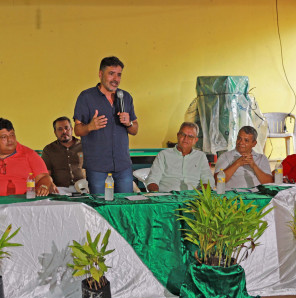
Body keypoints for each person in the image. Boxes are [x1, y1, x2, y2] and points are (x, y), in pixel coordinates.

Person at [73, 56, 139, 194]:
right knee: (100, 208)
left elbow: (135, 129)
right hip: (97, 167)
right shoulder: (86, 97)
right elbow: (77, 130)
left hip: (123, 165)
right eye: (111, 73)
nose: (116, 79)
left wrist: (129, 122)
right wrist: (90, 126)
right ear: (100, 74)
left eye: (119, 75)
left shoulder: (125, 97)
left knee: (125, 206)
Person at [146, 122, 214, 192]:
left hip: (193, 198)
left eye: (190, 136)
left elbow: (208, 180)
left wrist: (198, 194)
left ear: (195, 140)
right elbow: (152, 179)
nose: (185, 138)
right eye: (183, 134)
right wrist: (157, 196)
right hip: (168, 198)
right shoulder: (163, 155)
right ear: (178, 135)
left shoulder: (201, 157)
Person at [41, 116, 85, 188]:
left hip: (84, 188)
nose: (64, 131)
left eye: (66, 128)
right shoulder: (49, 150)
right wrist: (49, 185)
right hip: (59, 190)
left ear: (71, 129)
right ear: (55, 132)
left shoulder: (84, 146)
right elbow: (46, 174)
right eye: (60, 129)